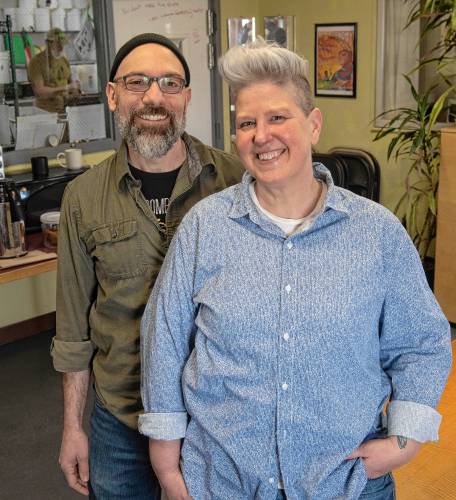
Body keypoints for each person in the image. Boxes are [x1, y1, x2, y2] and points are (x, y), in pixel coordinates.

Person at [139, 39, 452, 499]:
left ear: (313, 124)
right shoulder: (205, 227)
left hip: (343, 482)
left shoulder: (377, 233)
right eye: (247, 123)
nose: (261, 135)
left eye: (277, 117)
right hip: (222, 481)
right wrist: (167, 468)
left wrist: (404, 442)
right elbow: (164, 340)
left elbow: (422, 343)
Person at [50, 32, 244, 499]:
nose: (154, 97)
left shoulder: (236, 182)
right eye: (138, 82)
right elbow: (75, 330)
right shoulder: (83, 199)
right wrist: (72, 428)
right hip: (122, 416)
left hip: (214, 417)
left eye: (170, 83)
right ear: (114, 95)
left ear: (187, 98)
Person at [27, 28, 80, 113]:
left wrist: (75, 91)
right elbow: (40, 91)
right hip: (45, 112)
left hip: (65, 110)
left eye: (63, 44)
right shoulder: (36, 62)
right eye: (58, 44)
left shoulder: (64, 60)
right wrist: (65, 88)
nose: (61, 47)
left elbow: (71, 84)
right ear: (49, 43)